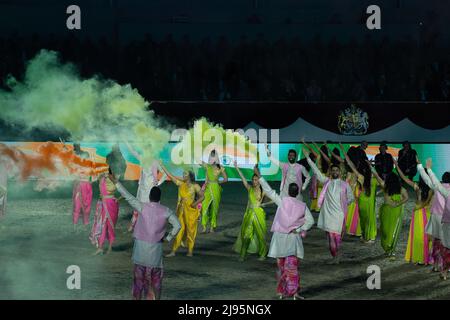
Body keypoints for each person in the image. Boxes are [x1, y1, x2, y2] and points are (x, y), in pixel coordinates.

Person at [109, 173, 181, 300]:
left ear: (149, 196)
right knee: (156, 283)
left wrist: (116, 182)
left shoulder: (142, 206)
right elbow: (178, 225)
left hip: (140, 253)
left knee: (138, 283)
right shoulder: (166, 211)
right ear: (159, 198)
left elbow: (128, 196)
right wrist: (168, 238)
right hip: (155, 255)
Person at [256, 166, 314, 300]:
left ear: (288, 191)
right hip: (293, 240)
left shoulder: (282, 201)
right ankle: (294, 293)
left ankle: (282, 292)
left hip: (280, 240)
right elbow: (310, 222)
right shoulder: (302, 205)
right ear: (298, 191)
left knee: (281, 267)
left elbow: (269, 191)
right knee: (292, 269)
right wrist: (298, 229)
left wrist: (260, 177)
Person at [304, 146, 354, 264]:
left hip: (339, 215)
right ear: (331, 172)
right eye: (333, 170)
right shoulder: (327, 182)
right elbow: (316, 170)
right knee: (330, 237)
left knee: (336, 237)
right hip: (328, 214)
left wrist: (344, 203)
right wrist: (308, 159)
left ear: (340, 172)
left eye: (337, 170)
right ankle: (335, 256)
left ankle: (336, 255)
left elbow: (351, 198)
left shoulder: (344, 185)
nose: (335, 172)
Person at [159, 162, 204, 257]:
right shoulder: (181, 184)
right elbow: (171, 176)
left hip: (191, 211)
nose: (183, 175)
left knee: (191, 231)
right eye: (183, 174)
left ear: (190, 175)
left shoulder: (195, 186)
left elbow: (202, 197)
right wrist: (163, 166)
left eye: (185, 174)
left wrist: (194, 204)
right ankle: (173, 251)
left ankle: (190, 251)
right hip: (181, 210)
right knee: (180, 229)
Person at [395, 159, 433, 265]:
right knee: (427, 236)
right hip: (427, 213)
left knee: (418, 236)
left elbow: (403, 177)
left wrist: (397, 166)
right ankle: (427, 258)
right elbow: (428, 202)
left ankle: (420, 258)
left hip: (418, 212)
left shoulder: (417, 186)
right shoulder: (431, 188)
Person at [417, 160, 450, 273]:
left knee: (436, 242)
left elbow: (426, 179)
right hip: (446, 219)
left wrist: (421, 167)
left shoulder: (438, 187)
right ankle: (446, 267)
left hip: (436, 217)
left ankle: (436, 265)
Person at [125, 142, 166, 231]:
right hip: (142, 188)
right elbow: (133, 152)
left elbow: (165, 173)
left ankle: (149, 227)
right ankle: (133, 224)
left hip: (149, 190)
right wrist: (126, 142)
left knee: (149, 209)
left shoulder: (155, 161)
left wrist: (158, 183)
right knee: (137, 207)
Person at [233, 162, 269, 261]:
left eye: (256, 179)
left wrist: (264, 204)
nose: (254, 181)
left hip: (259, 214)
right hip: (250, 214)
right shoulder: (250, 189)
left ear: (259, 181)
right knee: (246, 234)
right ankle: (243, 254)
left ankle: (263, 254)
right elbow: (243, 179)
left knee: (260, 235)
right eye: (253, 180)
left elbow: (273, 199)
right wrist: (237, 168)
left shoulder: (263, 190)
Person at [341, 145, 378, 242]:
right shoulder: (374, 179)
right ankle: (370, 237)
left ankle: (364, 235)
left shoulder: (361, 177)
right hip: (370, 202)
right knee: (370, 219)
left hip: (361, 201)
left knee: (363, 219)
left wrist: (344, 152)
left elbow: (351, 166)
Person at [372, 169, 408, 259]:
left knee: (385, 230)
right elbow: (406, 198)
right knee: (393, 230)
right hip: (397, 211)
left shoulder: (385, 187)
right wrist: (398, 203)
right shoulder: (401, 189)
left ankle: (387, 249)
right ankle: (391, 250)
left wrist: (371, 168)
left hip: (386, 211)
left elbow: (377, 175)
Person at [89, 169, 120, 255]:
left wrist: (119, 199)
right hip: (103, 203)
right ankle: (100, 248)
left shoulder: (114, 177)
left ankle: (110, 247)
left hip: (111, 204)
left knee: (110, 226)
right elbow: (92, 180)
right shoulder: (102, 176)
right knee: (102, 225)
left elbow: (122, 191)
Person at [200, 150, 228, 233]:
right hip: (208, 188)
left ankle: (212, 227)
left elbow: (226, 179)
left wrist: (218, 182)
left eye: (213, 156)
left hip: (216, 188)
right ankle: (204, 227)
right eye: (211, 156)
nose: (212, 158)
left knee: (215, 208)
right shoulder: (207, 166)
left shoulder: (221, 168)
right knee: (204, 206)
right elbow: (199, 161)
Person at [72, 143, 94, 230]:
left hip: (85, 185)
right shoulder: (77, 163)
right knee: (78, 205)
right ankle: (77, 223)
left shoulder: (87, 165)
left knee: (86, 205)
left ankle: (83, 222)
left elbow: (92, 176)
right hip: (80, 185)